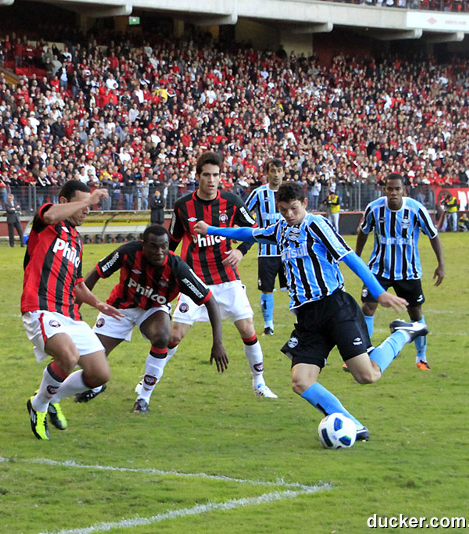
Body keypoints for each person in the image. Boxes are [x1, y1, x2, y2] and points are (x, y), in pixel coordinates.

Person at [195, 181, 428, 441]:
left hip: (334, 307)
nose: (289, 215)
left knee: (366, 375)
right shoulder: (281, 228)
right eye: (283, 210)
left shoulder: (317, 225)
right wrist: (211, 229)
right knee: (300, 381)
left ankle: (403, 334)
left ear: (305, 204)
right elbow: (249, 233)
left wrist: (378, 292)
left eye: (293, 208)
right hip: (307, 317)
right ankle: (353, 425)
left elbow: (350, 257)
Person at [78, 224, 228, 412]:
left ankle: (144, 398)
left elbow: (209, 301)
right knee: (91, 358)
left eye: (164, 246)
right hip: (120, 307)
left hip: (153, 309)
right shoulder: (127, 252)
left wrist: (218, 343)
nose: (160, 251)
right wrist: (74, 312)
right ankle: (96, 385)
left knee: (162, 336)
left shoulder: (177, 267)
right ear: (143, 245)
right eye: (154, 246)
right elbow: (94, 275)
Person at [168, 151, 277, 399]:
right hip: (194, 280)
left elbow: (254, 231)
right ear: (197, 176)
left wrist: (241, 251)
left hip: (227, 278)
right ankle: (146, 385)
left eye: (215, 175)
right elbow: (171, 244)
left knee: (247, 328)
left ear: (220, 177)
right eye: (206, 175)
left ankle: (259, 384)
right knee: (175, 335)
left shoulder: (232, 202)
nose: (211, 180)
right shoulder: (182, 206)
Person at [22, 180, 123, 440]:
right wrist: (90, 199)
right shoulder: (47, 223)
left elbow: (76, 284)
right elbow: (50, 213)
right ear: (65, 202)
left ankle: (48, 396)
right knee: (68, 356)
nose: (87, 209)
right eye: (82, 203)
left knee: (100, 374)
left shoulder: (75, 240)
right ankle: (39, 406)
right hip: (41, 308)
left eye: (88, 204)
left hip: (70, 314)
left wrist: (98, 304)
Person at [354, 173, 444, 371]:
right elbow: (364, 232)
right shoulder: (374, 208)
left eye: (397, 189)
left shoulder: (416, 209)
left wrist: (441, 264)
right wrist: (357, 257)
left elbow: (433, 235)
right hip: (379, 269)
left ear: (404, 190)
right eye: (389, 189)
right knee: (368, 307)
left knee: (415, 312)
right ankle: (365, 355)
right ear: (384, 189)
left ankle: (421, 357)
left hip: (408, 272)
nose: (393, 193)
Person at [246, 158, 287, 336]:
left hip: (290, 251)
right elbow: (245, 213)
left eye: (279, 171)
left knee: (297, 288)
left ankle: (303, 322)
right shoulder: (259, 193)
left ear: (284, 173)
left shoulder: (289, 193)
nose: (276, 174)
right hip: (266, 252)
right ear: (267, 173)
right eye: (272, 171)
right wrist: (252, 230)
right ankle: (268, 325)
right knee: (266, 289)